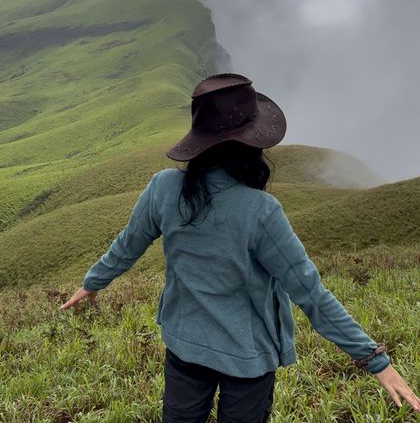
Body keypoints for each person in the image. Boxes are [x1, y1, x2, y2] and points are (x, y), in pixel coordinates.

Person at [60, 73, 420, 422]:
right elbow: (311, 293)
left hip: (184, 345)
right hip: (248, 358)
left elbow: (128, 244)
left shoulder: (163, 188)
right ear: (253, 142)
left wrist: (93, 282)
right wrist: (375, 360)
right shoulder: (261, 212)